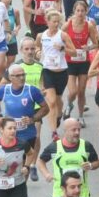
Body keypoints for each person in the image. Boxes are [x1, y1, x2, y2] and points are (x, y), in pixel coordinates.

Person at [35, 10, 76, 140]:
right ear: (47, 22)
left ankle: (58, 115)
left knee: (58, 101)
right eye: (54, 21)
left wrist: (63, 48)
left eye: (58, 21)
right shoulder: (41, 36)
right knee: (51, 102)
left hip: (62, 72)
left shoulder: (62, 35)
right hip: (47, 72)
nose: (56, 24)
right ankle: (54, 132)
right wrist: (37, 52)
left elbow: (74, 52)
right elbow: (37, 47)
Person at [0, 63, 49, 154]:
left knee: (25, 164)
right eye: (18, 76)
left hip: (28, 135)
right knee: (11, 164)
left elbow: (46, 108)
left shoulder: (32, 91)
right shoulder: (4, 90)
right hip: (9, 135)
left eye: (23, 75)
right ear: (10, 78)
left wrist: (32, 119)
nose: (22, 78)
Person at [37, 117, 99, 197]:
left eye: (78, 130)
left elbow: (97, 163)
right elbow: (41, 161)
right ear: (65, 131)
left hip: (81, 194)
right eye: (73, 130)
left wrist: (91, 165)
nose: (77, 132)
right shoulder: (54, 147)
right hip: (60, 194)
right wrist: (46, 174)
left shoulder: (86, 146)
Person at [62, 0, 96, 124]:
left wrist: (88, 48)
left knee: (81, 91)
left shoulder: (89, 26)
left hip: (83, 61)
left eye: (82, 11)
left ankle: (80, 117)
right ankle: (69, 104)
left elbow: (96, 43)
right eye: (78, 10)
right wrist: (67, 49)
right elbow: (60, 40)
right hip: (70, 61)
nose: (80, 13)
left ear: (86, 11)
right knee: (73, 91)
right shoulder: (67, 25)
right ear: (74, 11)